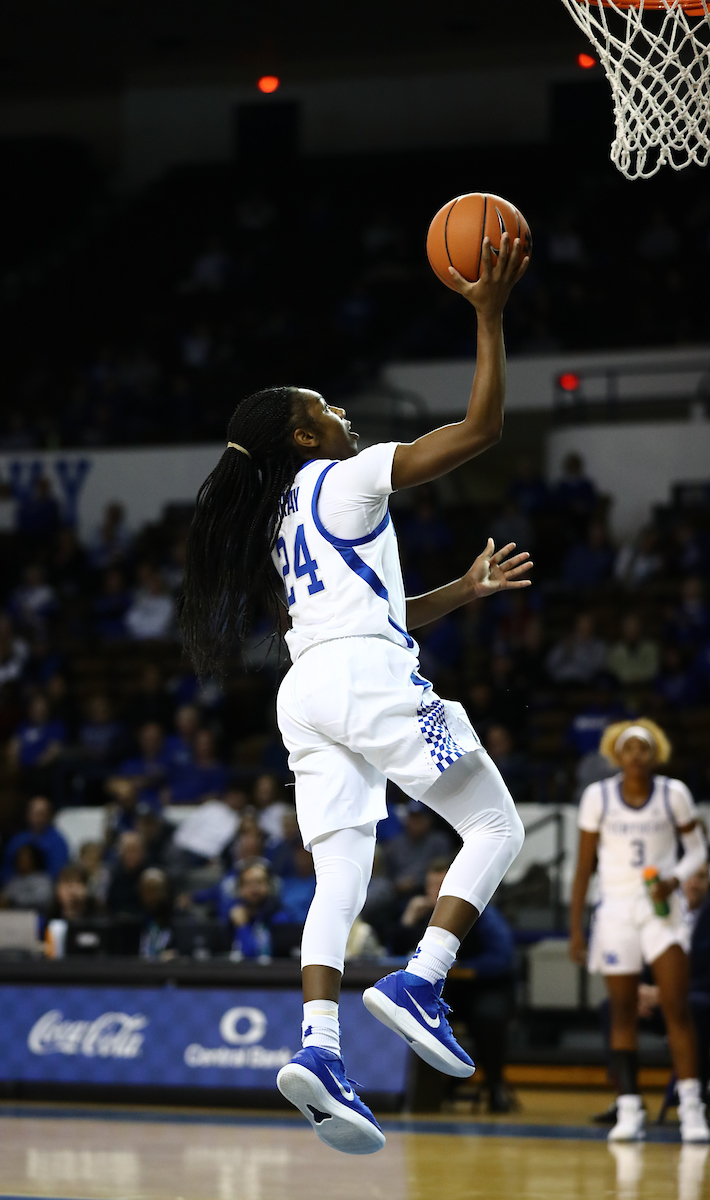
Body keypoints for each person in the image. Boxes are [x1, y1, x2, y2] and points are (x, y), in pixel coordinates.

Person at [179, 232, 529, 1154]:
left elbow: (374, 615)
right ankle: (423, 977)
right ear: (305, 436)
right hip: (365, 679)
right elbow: (481, 432)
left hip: (311, 689)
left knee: (341, 875)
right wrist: (488, 317)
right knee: (497, 828)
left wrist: (462, 591)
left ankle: (321, 1046)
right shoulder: (342, 476)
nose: (342, 414)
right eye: (327, 408)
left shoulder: (284, 517)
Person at [569, 718, 709, 1143]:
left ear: (655, 753)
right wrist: (576, 929)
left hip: (661, 908)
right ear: (615, 753)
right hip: (614, 910)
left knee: (675, 1005)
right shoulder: (598, 796)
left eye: (643, 748)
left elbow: (699, 849)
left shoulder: (674, 793)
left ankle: (691, 1107)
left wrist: (676, 875)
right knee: (623, 1008)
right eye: (628, 748)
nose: (635, 755)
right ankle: (629, 1107)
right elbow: (583, 866)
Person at [389, 857, 516, 1113]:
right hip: (445, 993)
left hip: (481, 988)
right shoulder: (419, 913)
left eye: (441, 885)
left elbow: (503, 957)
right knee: (403, 1010)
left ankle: (495, 1086)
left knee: (488, 1018)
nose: (434, 892)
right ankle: (410, 1091)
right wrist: (407, 920)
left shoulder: (481, 912)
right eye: (430, 885)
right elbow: (391, 953)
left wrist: (463, 967)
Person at [0, 795, 69, 883]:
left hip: (44, 889)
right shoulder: (17, 840)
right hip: (15, 887)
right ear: (27, 814)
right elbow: (6, 869)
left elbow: (56, 872)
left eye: (41, 814)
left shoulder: (58, 842)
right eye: (33, 813)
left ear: (49, 816)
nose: (36, 818)